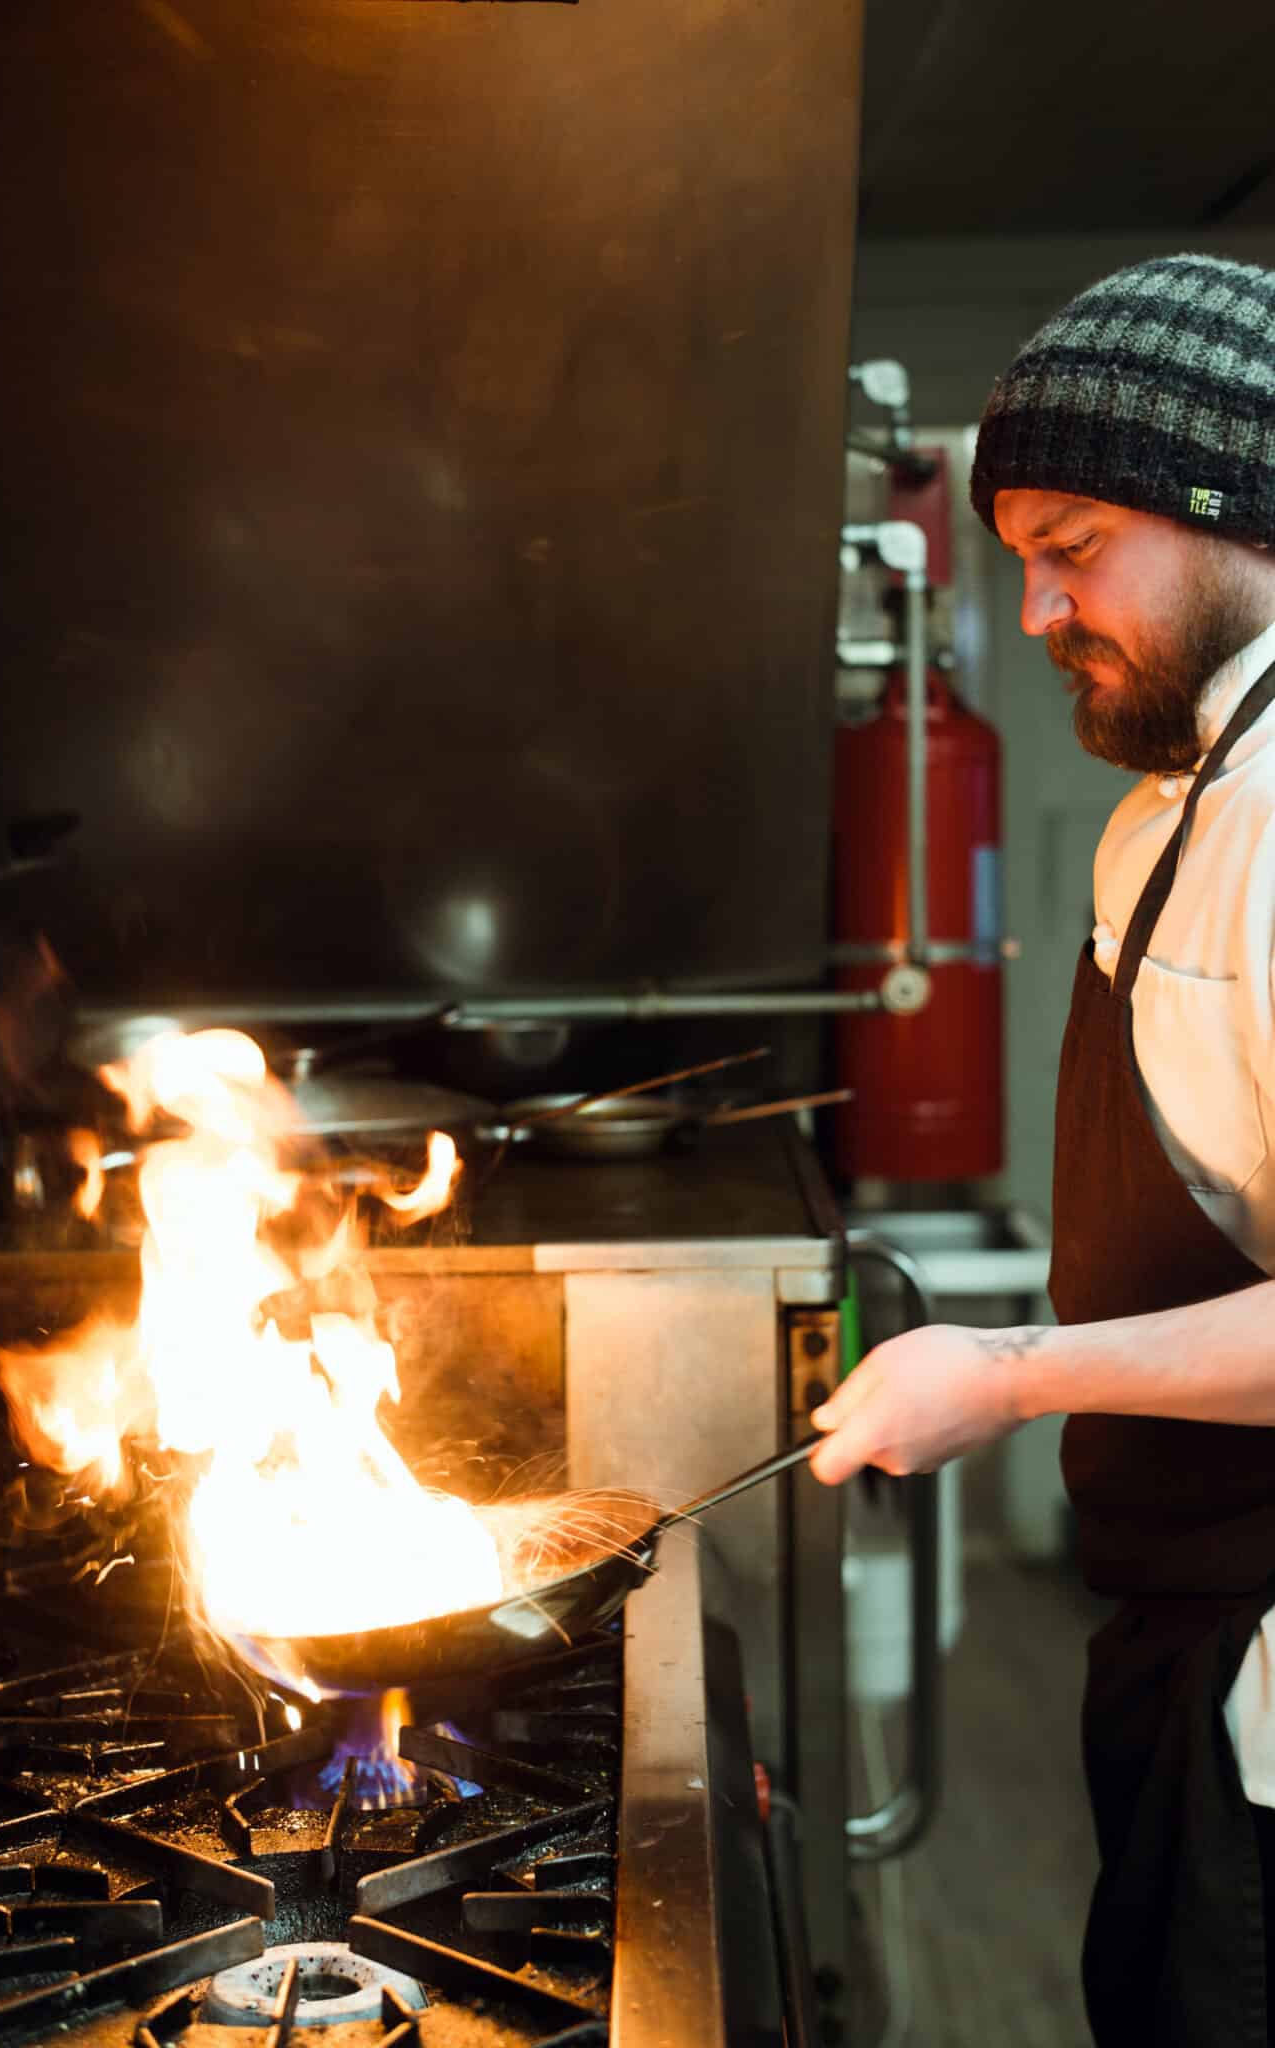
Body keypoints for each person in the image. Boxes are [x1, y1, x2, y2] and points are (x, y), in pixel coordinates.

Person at [809, 252, 1275, 2047]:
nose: (1035, 608)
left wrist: (1006, 1372)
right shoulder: (1171, 809)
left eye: (1075, 547)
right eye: (1017, 557)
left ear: (1237, 515)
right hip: (1181, 1624)